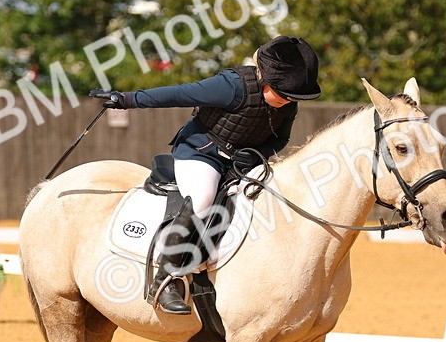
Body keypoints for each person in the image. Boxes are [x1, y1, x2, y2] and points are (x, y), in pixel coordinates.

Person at [89, 35, 322, 315]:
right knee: (202, 199)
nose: (287, 102)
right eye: (283, 95)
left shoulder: (288, 102)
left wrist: (254, 154)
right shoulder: (232, 86)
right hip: (201, 153)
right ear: (264, 78)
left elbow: (280, 139)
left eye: (292, 98)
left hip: (243, 161)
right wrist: (127, 99)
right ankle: (166, 279)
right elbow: (179, 93)